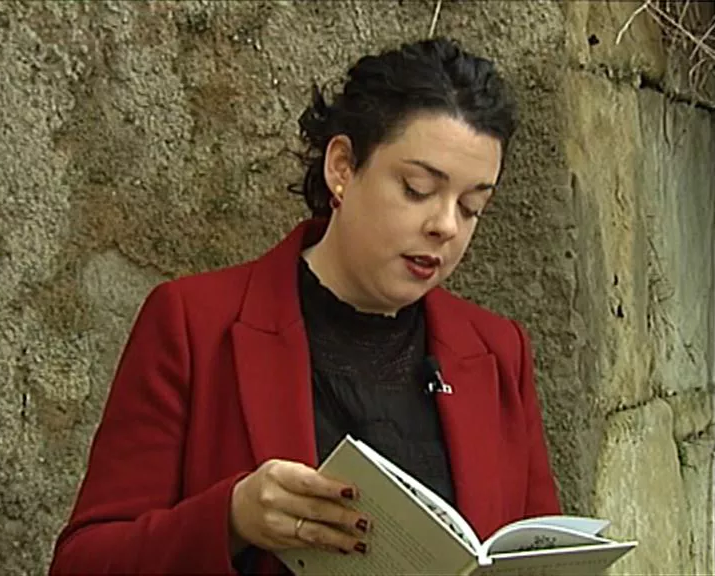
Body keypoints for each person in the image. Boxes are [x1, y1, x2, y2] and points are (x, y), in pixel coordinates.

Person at [48, 36, 560, 575]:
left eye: (472, 206)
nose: (446, 225)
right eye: (416, 189)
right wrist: (230, 518)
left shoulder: (499, 350)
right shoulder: (193, 323)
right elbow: (83, 564)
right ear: (342, 167)